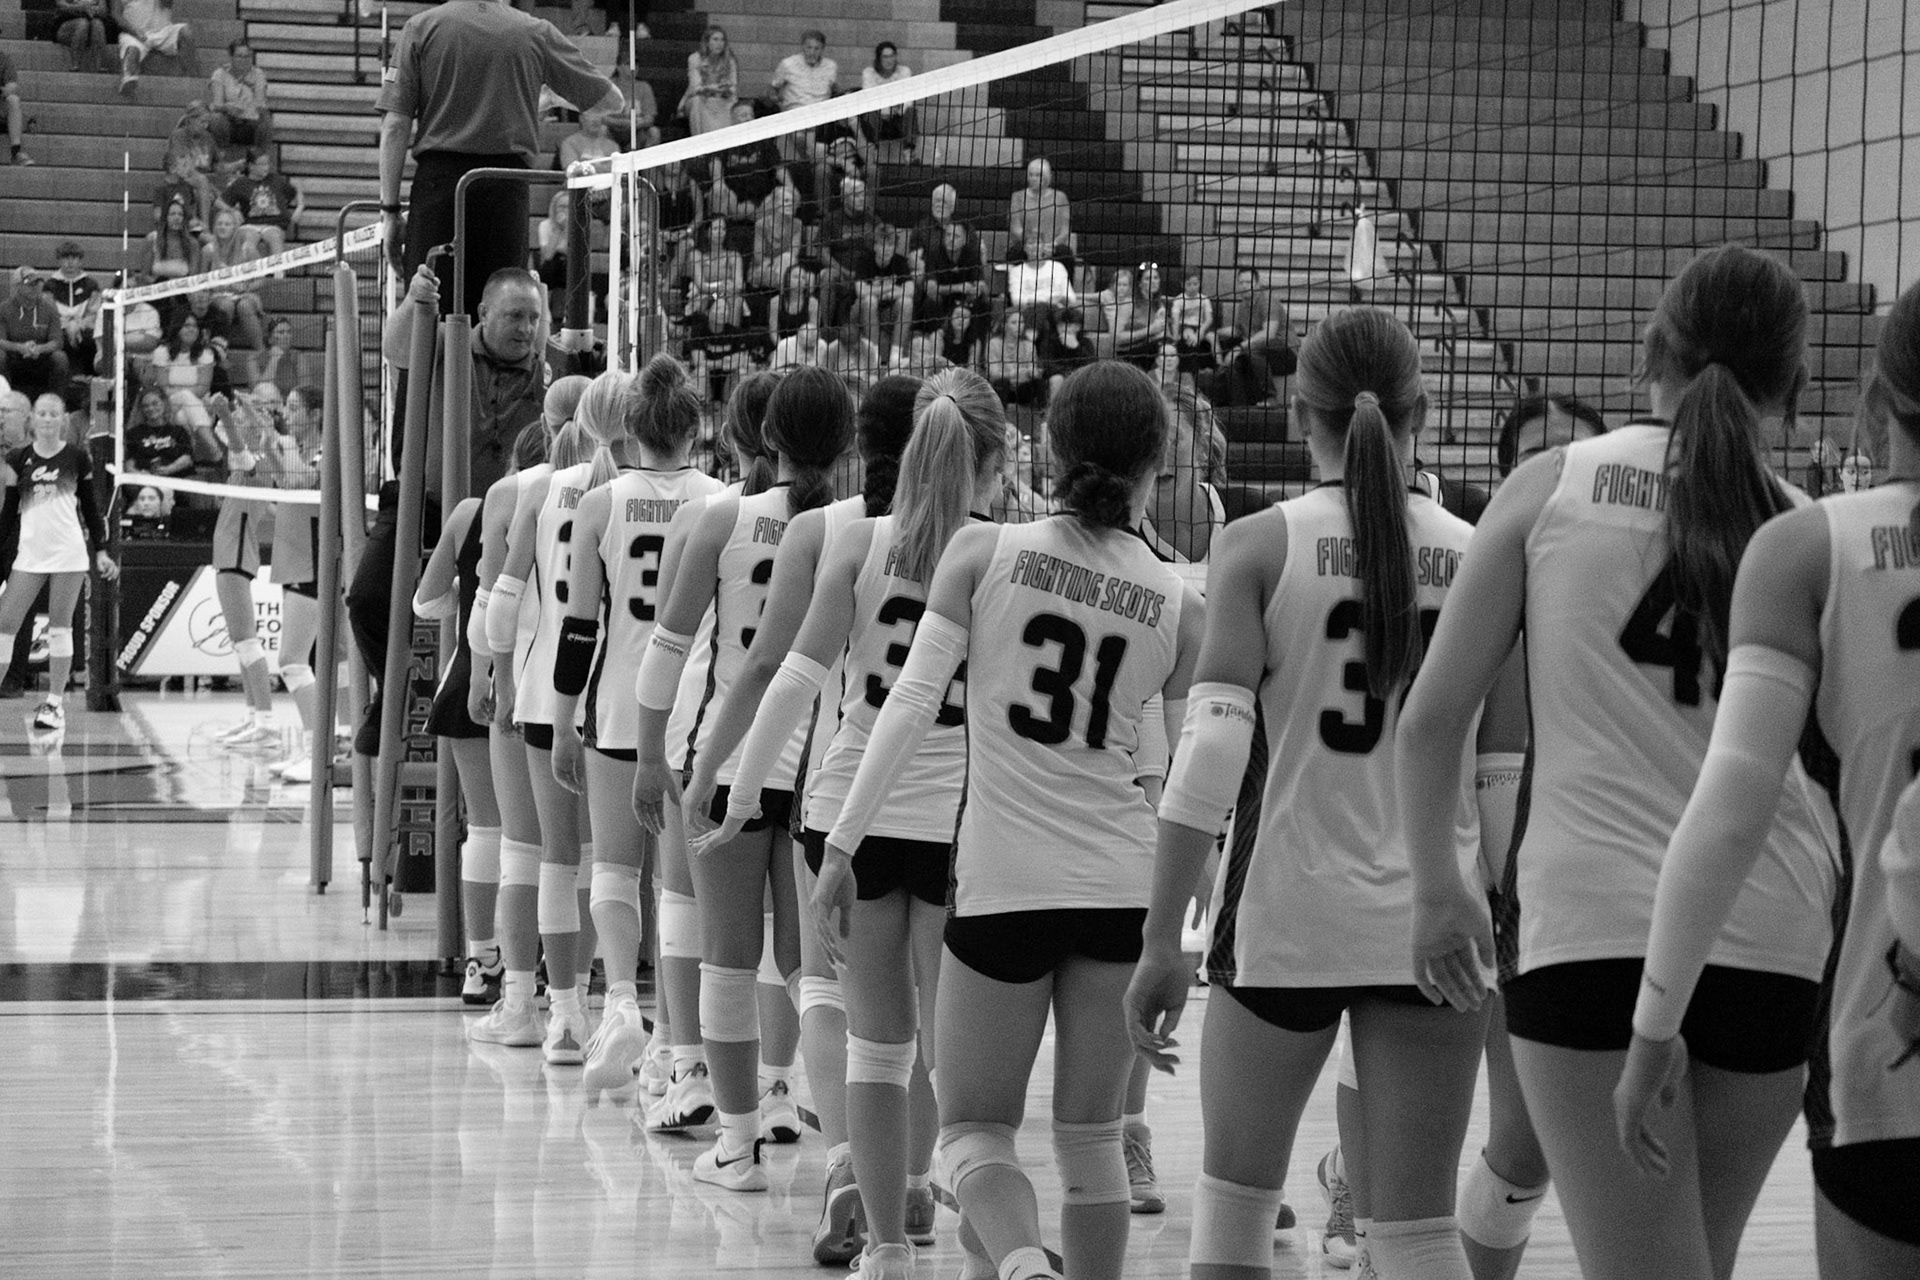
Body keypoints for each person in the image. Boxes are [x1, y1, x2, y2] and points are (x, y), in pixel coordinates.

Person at [1399, 244, 1838, 1280]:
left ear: (1654, 348)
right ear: (1793, 385)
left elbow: (1432, 718)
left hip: (1592, 930)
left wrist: (1438, 889)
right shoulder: (1807, 528)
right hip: (1775, 932)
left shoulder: (1551, 484)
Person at [1126, 307, 1488, 1280]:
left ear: (1300, 412)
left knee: (1236, 1221)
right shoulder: (1481, 550)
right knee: (1416, 1235)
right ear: (1422, 411)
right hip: (1434, 925)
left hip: (1283, 919)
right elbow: (1501, 772)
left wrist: (1163, 939)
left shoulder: (1255, 546)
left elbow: (1207, 761)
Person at [823, 360, 1197, 1280]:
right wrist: (1187, 928)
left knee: (975, 1132)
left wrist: (840, 843)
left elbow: (908, 705)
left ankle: (1026, 1265)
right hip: (1122, 887)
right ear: (1157, 466)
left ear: (1049, 451)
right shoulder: (1179, 600)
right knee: (1093, 1139)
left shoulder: (985, 554)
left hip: (1002, 889)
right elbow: (1187, 782)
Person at [1608, 276, 1920, 1277]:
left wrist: (1654, 1022)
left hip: (1890, 1041)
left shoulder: (1809, 546)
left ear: (1875, 406)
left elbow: (1731, 812)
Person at [706, 371, 997, 1279]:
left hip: (848, 815)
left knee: (877, 1043)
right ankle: (971, 1217)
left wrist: (737, 791)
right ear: (992, 459)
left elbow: (789, 678)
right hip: (958, 820)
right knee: (953, 1052)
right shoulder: (1005, 553)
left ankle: (890, 1248)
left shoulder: (858, 545)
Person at [674, 374, 920, 1253]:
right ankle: (909, 1178)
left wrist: (712, 770)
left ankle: (775, 1145)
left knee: (760, 965)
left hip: (805, 773)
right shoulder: (980, 540)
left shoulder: (813, 529)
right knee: (879, 996)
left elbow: (765, 667)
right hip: (904, 792)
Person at [631, 365, 856, 1192]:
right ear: (849, 440)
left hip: (730, 758)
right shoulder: (859, 529)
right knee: (806, 964)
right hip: (820, 768)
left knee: (729, 954)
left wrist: (654, 756)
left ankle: (735, 1148)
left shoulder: (727, 515)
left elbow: (667, 645)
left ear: (762, 438)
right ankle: (802, 1108)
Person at [548, 355, 724, 1093]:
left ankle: (620, 1001)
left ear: (633, 430)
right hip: (692, 711)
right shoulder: (724, 500)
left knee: (614, 866)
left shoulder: (601, 503)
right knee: (677, 887)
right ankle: (675, 1044)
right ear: (696, 427)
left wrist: (561, 720)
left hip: (617, 704)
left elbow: (577, 631)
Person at [348, 264, 548, 755]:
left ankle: (505, 714)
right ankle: (392, 697)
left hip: (500, 518)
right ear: (483, 314)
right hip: (426, 501)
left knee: (495, 620)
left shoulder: (548, 366)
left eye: (534, 317)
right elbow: (396, 349)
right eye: (514, 316)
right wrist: (416, 301)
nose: (526, 329)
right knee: (368, 601)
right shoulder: (444, 340)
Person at [483, 375, 619, 1063]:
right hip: (617, 698)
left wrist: (502, 679)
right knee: (607, 866)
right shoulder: (649, 493)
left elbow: (500, 602)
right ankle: (598, 1008)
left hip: (546, 693)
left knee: (548, 859)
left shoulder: (541, 490)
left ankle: (557, 1014)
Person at [377, 0, 620, 320]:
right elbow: (611, 102)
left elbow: (395, 127)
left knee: (429, 315)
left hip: (440, 189)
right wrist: (543, 97)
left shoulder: (421, 27)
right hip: (505, 189)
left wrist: (390, 212)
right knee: (501, 317)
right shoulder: (535, 32)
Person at [412, 425, 544, 1007]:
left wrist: (467, 599)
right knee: (541, 837)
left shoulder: (473, 510)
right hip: (536, 680)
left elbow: (424, 601)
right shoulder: (577, 506)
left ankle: (480, 959)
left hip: (471, 672)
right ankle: (540, 964)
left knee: (486, 828)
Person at [464, 391, 572, 1034]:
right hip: (605, 691)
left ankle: (522, 1002)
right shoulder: (633, 489)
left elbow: (490, 603)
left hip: (530, 684)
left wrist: (489, 674)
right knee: (593, 860)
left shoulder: (516, 490)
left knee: (523, 848)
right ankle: (587, 1002)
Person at [0, 393, 116, 729]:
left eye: (54, 414)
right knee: (5, 624)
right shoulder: (18, 457)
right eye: (42, 414)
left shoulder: (77, 457)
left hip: (68, 552)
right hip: (31, 553)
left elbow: (91, 511)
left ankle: (54, 704)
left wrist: (102, 550)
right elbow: (8, 515)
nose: (48, 419)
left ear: (62, 419)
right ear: (31, 419)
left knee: (60, 627)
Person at [910, 184, 984, 332]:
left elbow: (978, 254)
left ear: (953, 206)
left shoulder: (966, 228)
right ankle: (924, 330)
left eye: (943, 202)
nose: (938, 205)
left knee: (982, 294)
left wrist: (978, 284)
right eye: (936, 201)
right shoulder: (922, 227)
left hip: (962, 274)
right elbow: (913, 258)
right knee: (920, 279)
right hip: (933, 275)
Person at [199, 206, 267, 349]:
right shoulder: (208, 251)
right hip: (218, 296)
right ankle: (218, 351)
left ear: (235, 228)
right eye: (219, 224)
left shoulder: (247, 249)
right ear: (214, 227)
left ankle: (261, 350)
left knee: (245, 305)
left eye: (227, 224)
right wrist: (215, 285)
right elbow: (200, 281)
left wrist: (246, 287)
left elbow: (262, 279)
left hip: (245, 294)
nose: (223, 227)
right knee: (226, 305)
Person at [1, 270, 67, 402]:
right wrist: (20, 348)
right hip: (13, 357)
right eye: (29, 284)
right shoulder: (4, 309)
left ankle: (57, 402)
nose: (35, 288)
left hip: (41, 357)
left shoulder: (49, 308)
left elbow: (57, 341)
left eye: (37, 283)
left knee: (60, 358)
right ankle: (4, 402)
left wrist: (38, 349)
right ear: (17, 286)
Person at [222, 150, 302, 257]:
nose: (266, 167)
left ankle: (279, 272)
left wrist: (300, 206)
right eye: (262, 164)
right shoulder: (241, 183)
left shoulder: (275, 179)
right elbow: (219, 202)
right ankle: (256, 271)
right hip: (249, 224)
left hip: (274, 224)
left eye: (267, 163)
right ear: (251, 166)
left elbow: (295, 189)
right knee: (248, 242)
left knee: (274, 237)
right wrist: (232, 211)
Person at [1008, 157, 1072, 277]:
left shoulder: (1060, 197)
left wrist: (1052, 244)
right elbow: (1015, 228)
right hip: (1026, 244)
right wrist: (1033, 245)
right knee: (1015, 254)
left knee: (1066, 255)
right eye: (1031, 174)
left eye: (1038, 175)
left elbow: (1065, 230)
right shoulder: (1017, 197)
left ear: (1048, 177)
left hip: (1052, 246)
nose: (1033, 178)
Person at [46, 245, 101, 381]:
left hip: (84, 330)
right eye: (66, 258)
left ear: (81, 261)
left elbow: (94, 314)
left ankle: (91, 382)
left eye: (74, 258)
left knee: (93, 340)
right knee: (56, 343)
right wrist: (67, 326)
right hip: (58, 329)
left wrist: (78, 325)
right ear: (59, 260)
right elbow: (49, 314)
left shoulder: (91, 285)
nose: (70, 262)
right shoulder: (50, 285)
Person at [116, 0, 192, 93]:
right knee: (132, 50)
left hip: (164, 31)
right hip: (134, 35)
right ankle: (128, 79)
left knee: (185, 32)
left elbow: (168, 4)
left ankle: (191, 81)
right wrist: (136, 33)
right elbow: (117, 15)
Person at [208, 40, 271, 152]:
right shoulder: (219, 74)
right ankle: (221, 155)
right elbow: (217, 104)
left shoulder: (258, 74)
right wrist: (227, 108)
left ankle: (260, 158)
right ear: (231, 57)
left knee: (265, 118)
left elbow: (260, 102)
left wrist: (251, 108)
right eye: (239, 56)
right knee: (216, 118)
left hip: (250, 120)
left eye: (247, 56)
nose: (244, 60)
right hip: (228, 120)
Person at [1098, 265, 1164, 365]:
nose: (1153, 281)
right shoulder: (1129, 303)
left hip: (1151, 349)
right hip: (1129, 352)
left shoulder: (1158, 304)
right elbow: (1116, 338)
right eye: (1148, 278)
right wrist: (1150, 330)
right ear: (1139, 284)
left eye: (1156, 278)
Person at [125, 388, 194, 479]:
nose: (150, 408)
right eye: (145, 406)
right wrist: (142, 476)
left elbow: (187, 459)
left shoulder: (178, 431)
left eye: (155, 403)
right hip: (147, 481)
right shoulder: (134, 433)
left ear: (164, 403)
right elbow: (129, 465)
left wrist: (169, 469)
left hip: (177, 478)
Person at [680, 25, 737, 137]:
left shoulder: (729, 60)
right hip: (699, 97)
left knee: (732, 102)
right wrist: (712, 88)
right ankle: (699, 140)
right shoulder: (695, 58)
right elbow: (695, 87)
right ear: (707, 42)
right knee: (698, 102)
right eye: (715, 39)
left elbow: (733, 86)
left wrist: (726, 89)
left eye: (722, 40)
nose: (719, 43)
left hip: (720, 97)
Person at [859, 41, 914, 154]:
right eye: (885, 56)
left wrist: (897, 110)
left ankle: (909, 151)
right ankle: (872, 150)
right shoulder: (869, 73)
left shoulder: (904, 71)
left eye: (892, 56)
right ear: (879, 58)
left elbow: (909, 99)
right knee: (870, 113)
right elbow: (868, 99)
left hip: (898, 115)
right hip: (877, 115)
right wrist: (886, 109)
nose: (889, 60)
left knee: (911, 111)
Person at [55, 0, 112, 73]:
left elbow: (103, 11)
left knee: (98, 25)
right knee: (83, 24)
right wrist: (80, 8)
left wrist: (91, 10)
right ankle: (75, 64)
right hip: (68, 24)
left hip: (92, 23)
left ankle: (99, 65)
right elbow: (61, 5)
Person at [558, 106, 620, 173]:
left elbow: (617, 168)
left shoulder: (613, 146)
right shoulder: (569, 143)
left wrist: (588, 166)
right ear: (581, 119)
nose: (595, 120)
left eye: (598, 115)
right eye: (591, 115)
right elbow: (571, 169)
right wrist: (601, 166)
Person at [2, 48, 32, 165]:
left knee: (14, 100)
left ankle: (16, 151)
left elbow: (12, 84)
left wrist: (9, 88)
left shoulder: (3, 59)